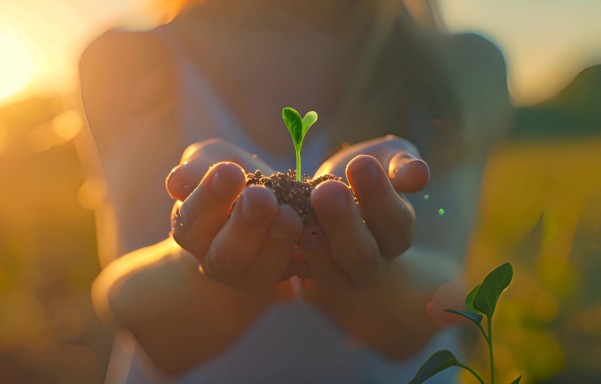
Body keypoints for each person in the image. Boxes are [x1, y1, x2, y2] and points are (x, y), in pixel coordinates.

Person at [77, 0, 511, 382]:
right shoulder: (127, 60)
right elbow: (126, 299)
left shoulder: (458, 64)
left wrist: (380, 276)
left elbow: (450, 291)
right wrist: (189, 265)